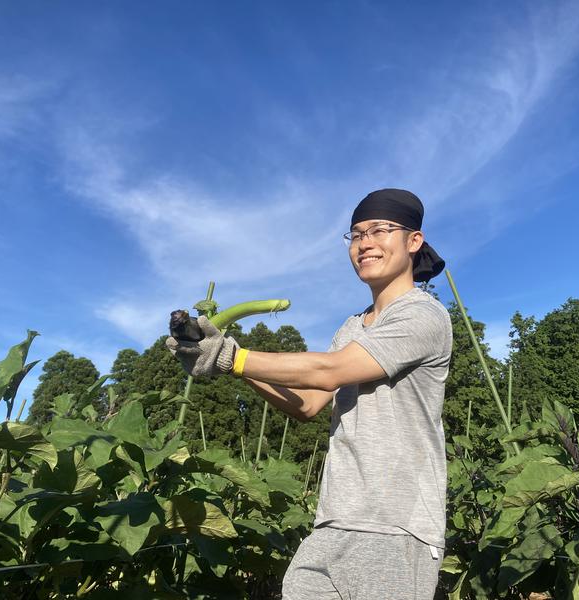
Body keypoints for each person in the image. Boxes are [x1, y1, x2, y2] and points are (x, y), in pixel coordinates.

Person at [166, 188, 452, 599]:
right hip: (335, 518)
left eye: (379, 230)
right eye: (355, 235)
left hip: (394, 524)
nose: (365, 243)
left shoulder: (422, 314)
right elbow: (310, 402)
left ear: (414, 241)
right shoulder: (352, 327)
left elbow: (330, 369)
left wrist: (233, 357)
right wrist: (227, 361)